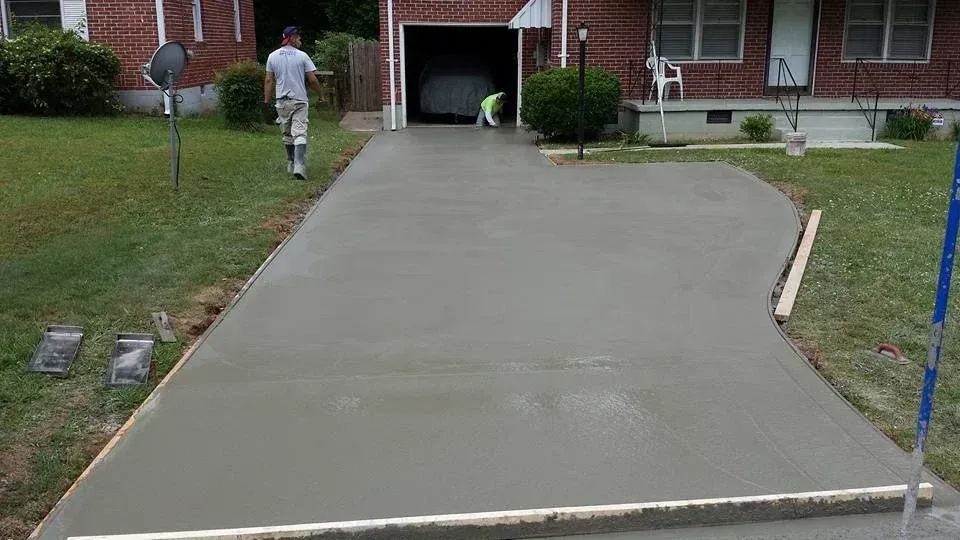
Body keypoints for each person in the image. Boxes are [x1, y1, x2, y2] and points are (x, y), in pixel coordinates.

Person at [264, 26, 323, 180]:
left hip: (282, 102)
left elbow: (269, 80)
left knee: (287, 133)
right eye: (298, 37)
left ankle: (290, 163)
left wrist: (266, 101)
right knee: (300, 132)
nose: (300, 39)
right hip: (299, 101)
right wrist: (320, 95)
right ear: (292, 38)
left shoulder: (272, 56)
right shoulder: (302, 56)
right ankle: (300, 166)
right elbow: (312, 80)